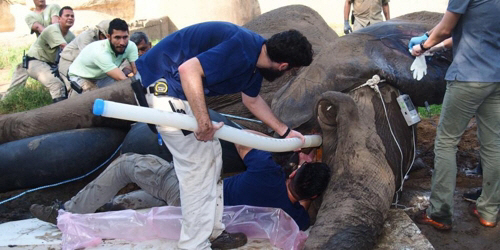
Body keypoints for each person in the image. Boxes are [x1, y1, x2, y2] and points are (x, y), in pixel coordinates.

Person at [134, 21, 313, 249]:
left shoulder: (255, 61)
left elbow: (252, 100)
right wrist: (203, 121)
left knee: (213, 156)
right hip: (163, 86)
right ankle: (194, 244)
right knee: (196, 166)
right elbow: (188, 70)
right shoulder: (242, 49)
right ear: (283, 65)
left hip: (179, 92)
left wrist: (285, 132)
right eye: (291, 70)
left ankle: (213, 232)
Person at [29, 146, 331, 241]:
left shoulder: (267, 172)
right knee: (147, 198)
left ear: (293, 172)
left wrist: (288, 148)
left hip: (194, 198)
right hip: (209, 218)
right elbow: (302, 205)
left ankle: (65, 211)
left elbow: (244, 144)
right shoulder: (296, 218)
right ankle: (107, 206)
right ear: (314, 197)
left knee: (129, 164)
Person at [410, 0, 500, 230]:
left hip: (469, 76)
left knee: (446, 143)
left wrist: (423, 46)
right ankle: (489, 210)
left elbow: (447, 27)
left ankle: (439, 213)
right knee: (493, 145)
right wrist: (436, 46)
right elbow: (472, 30)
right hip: (496, 77)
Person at [5, 6, 75, 103]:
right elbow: (66, 48)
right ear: (59, 19)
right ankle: (60, 114)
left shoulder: (70, 35)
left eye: (72, 16)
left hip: (50, 64)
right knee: (56, 85)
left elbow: (75, 50)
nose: (70, 18)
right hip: (35, 61)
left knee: (70, 83)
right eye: (67, 15)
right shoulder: (53, 29)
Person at [67, 18, 138, 96]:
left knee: (118, 93)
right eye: (117, 38)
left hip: (102, 75)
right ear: (108, 37)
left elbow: (136, 70)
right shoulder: (101, 52)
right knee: (95, 99)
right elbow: (122, 79)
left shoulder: (131, 46)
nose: (122, 42)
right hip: (81, 76)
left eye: (125, 37)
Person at [58, 20, 111, 92]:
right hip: (69, 62)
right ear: (101, 34)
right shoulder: (87, 37)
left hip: (87, 67)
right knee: (79, 88)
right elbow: (90, 59)